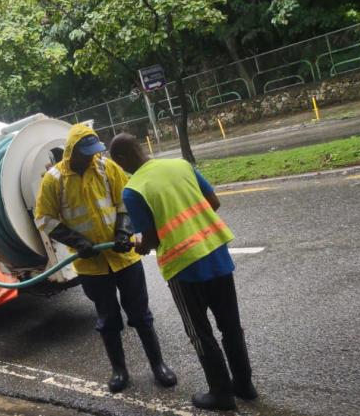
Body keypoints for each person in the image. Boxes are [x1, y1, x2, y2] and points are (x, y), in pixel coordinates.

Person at [108, 133, 258, 411]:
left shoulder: (134, 190)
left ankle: (220, 393)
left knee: (200, 333)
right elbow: (213, 202)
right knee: (230, 326)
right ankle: (245, 386)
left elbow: (150, 239)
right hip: (216, 252)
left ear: (121, 159)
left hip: (184, 267)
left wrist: (139, 245)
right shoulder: (181, 165)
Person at [35, 124, 177, 393]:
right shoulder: (54, 180)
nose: (92, 157)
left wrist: (124, 230)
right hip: (91, 265)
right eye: (86, 153)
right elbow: (44, 218)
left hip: (124, 258)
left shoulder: (105, 167)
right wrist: (78, 242)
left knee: (141, 315)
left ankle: (158, 366)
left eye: (94, 152)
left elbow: (125, 200)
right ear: (71, 152)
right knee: (107, 319)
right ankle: (119, 371)